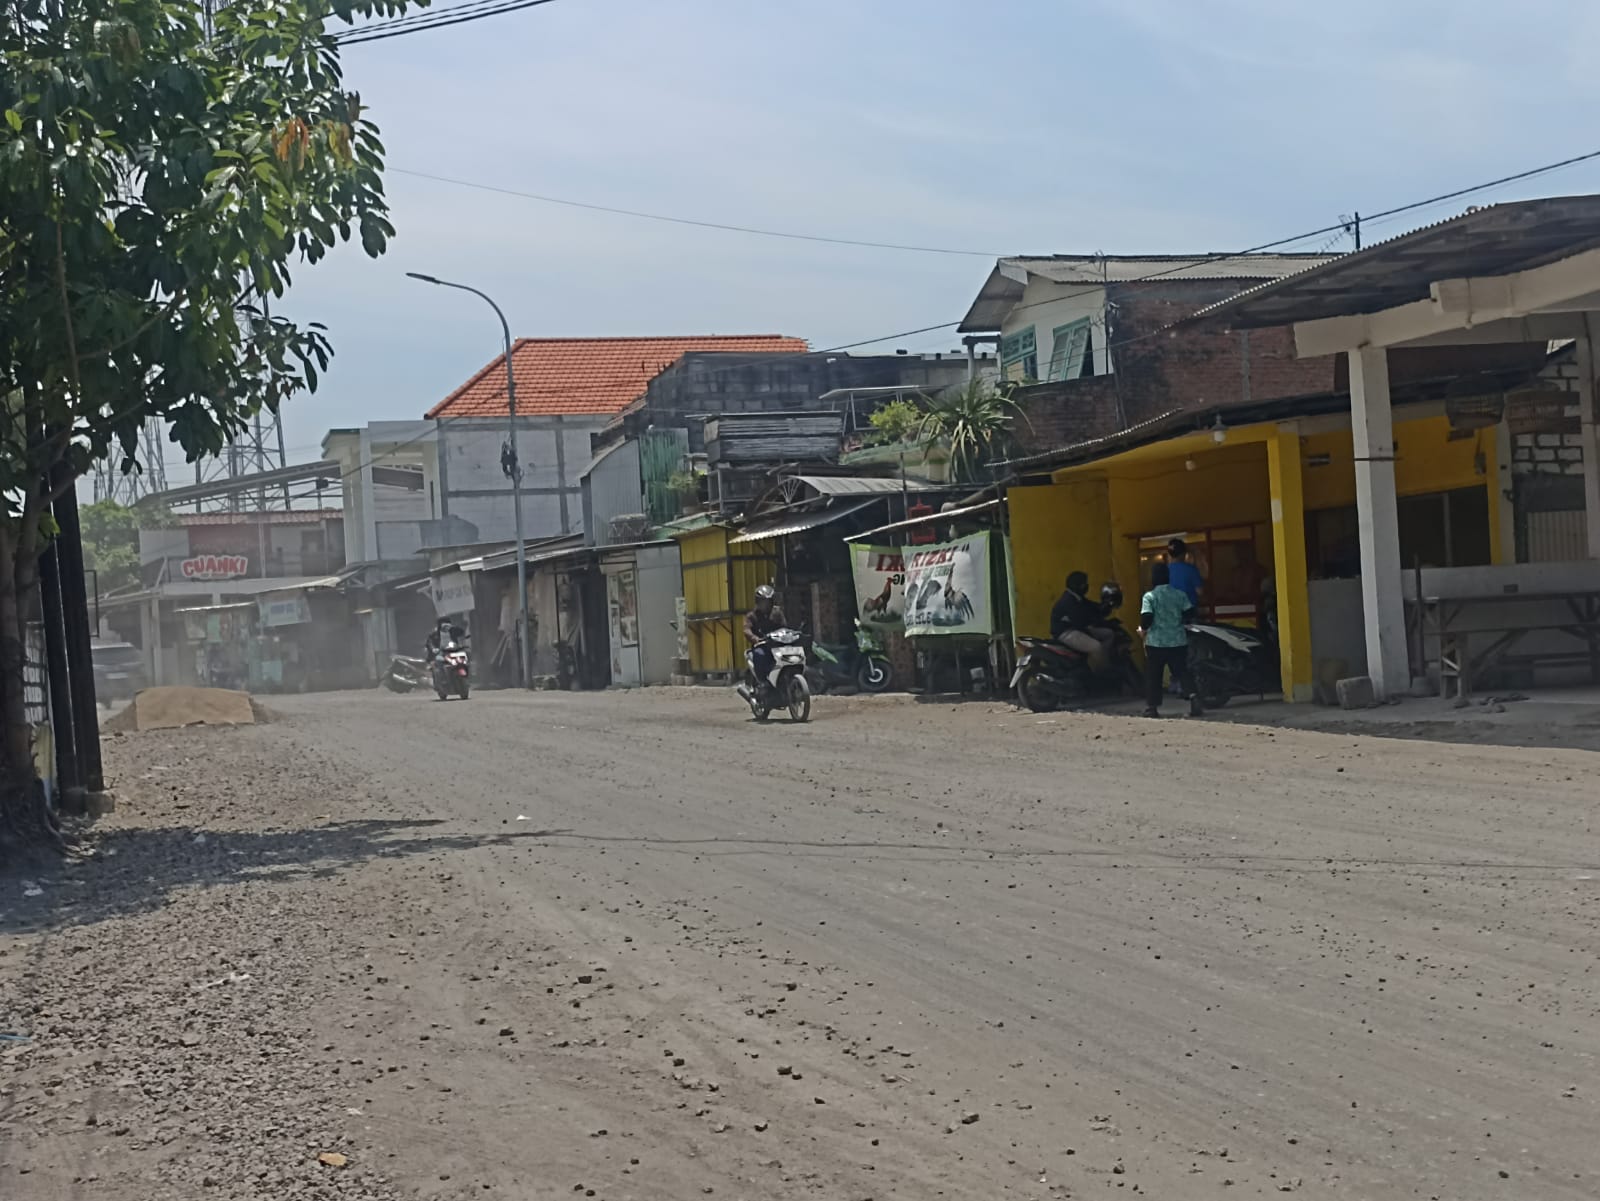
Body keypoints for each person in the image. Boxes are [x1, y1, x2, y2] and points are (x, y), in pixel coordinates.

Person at [1139, 562, 1202, 718]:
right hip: (1178, 641)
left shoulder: (1149, 596)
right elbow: (1190, 613)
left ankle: (1152, 708)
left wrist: (1143, 629)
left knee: (1154, 675)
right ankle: (1194, 699)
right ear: (1168, 577)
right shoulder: (1179, 594)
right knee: (1182, 672)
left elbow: (1146, 617)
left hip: (1156, 643)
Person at [1050, 571, 1113, 669]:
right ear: (1077, 585)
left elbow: (1090, 606)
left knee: (1109, 634)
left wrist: (1103, 607)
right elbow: (1081, 620)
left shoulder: (1077, 598)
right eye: (1084, 584)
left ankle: (1099, 659)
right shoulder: (1068, 601)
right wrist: (1095, 620)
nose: (1086, 586)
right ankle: (1100, 673)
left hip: (1077, 628)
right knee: (1096, 647)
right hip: (1066, 632)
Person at [743, 583, 787, 691]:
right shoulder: (751, 616)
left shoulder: (777, 613)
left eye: (768, 602)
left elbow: (784, 627)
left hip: (776, 644)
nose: (765, 605)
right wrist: (755, 638)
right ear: (758, 602)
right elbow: (746, 630)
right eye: (763, 602)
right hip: (761, 645)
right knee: (759, 655)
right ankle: (762, 681)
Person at [1165, 538, 1203, 610]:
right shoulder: (1191, 569)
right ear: (1184, 553)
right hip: (1188, 611)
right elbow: (1200, 592)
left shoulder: (1164, 570)